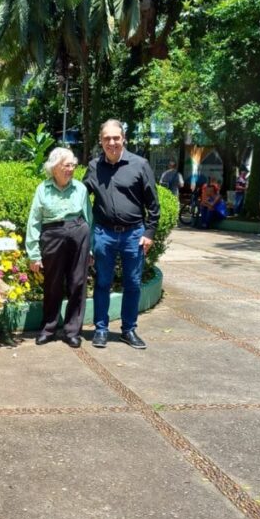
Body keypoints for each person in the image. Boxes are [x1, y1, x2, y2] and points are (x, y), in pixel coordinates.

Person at [84, 119, 160, 349]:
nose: (112, 142)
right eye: (107, 138)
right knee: (102, 283)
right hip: (104, 234)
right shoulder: (94, 167)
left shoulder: (140, 164)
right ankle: (101, 329)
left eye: (116, 138)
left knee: (133, 284)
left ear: (123, 138)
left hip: (134, 235)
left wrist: (149, 232)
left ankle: (129, 330)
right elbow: (79, 196)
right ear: (101, 141)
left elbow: (153, 204)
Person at [26, 147, 93, 348]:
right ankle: (48, 328)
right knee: (52, 284)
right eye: (67, 165)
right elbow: (34, 222)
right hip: (52, 234)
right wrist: (33, 253)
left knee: (77, 282)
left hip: (78, 232)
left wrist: (90, 249)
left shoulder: (80, 188)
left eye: (73, 165)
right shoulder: (42, 189)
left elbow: (90, 218)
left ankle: (72, 331)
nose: (71, 169)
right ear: (55, 167)